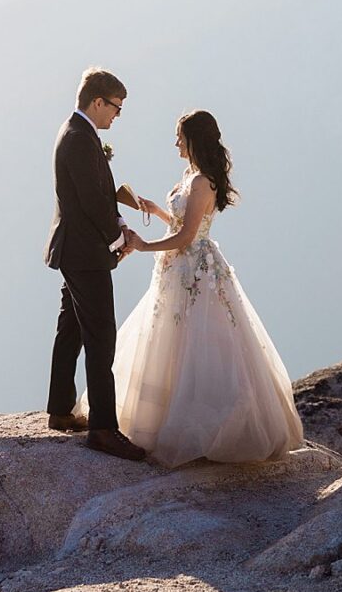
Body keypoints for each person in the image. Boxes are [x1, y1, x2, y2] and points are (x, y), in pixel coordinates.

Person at [76, 110, 305, 467]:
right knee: (170, 342)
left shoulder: (202, 183)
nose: (176, 143)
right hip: (178, 269)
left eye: (180, 136)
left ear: (193, 138)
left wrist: (142, 245)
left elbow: (186, 237)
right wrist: (157, 210)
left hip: (194, 271)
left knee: (197, 343)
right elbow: (185, 224)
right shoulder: (191, 177)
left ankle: (207, 431)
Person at [44, 67, 148, 461]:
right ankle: (103, 429)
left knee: (70, 328)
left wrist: (120, 217)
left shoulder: (79, 133)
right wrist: (120, 239)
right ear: (97, 102)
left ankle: (59, 409)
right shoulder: (78, 139)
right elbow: (90, 202)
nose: (117, 116)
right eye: (116, 108)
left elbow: (100, 193)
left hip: (75, 249)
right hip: (85, 254)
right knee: (101, 336)